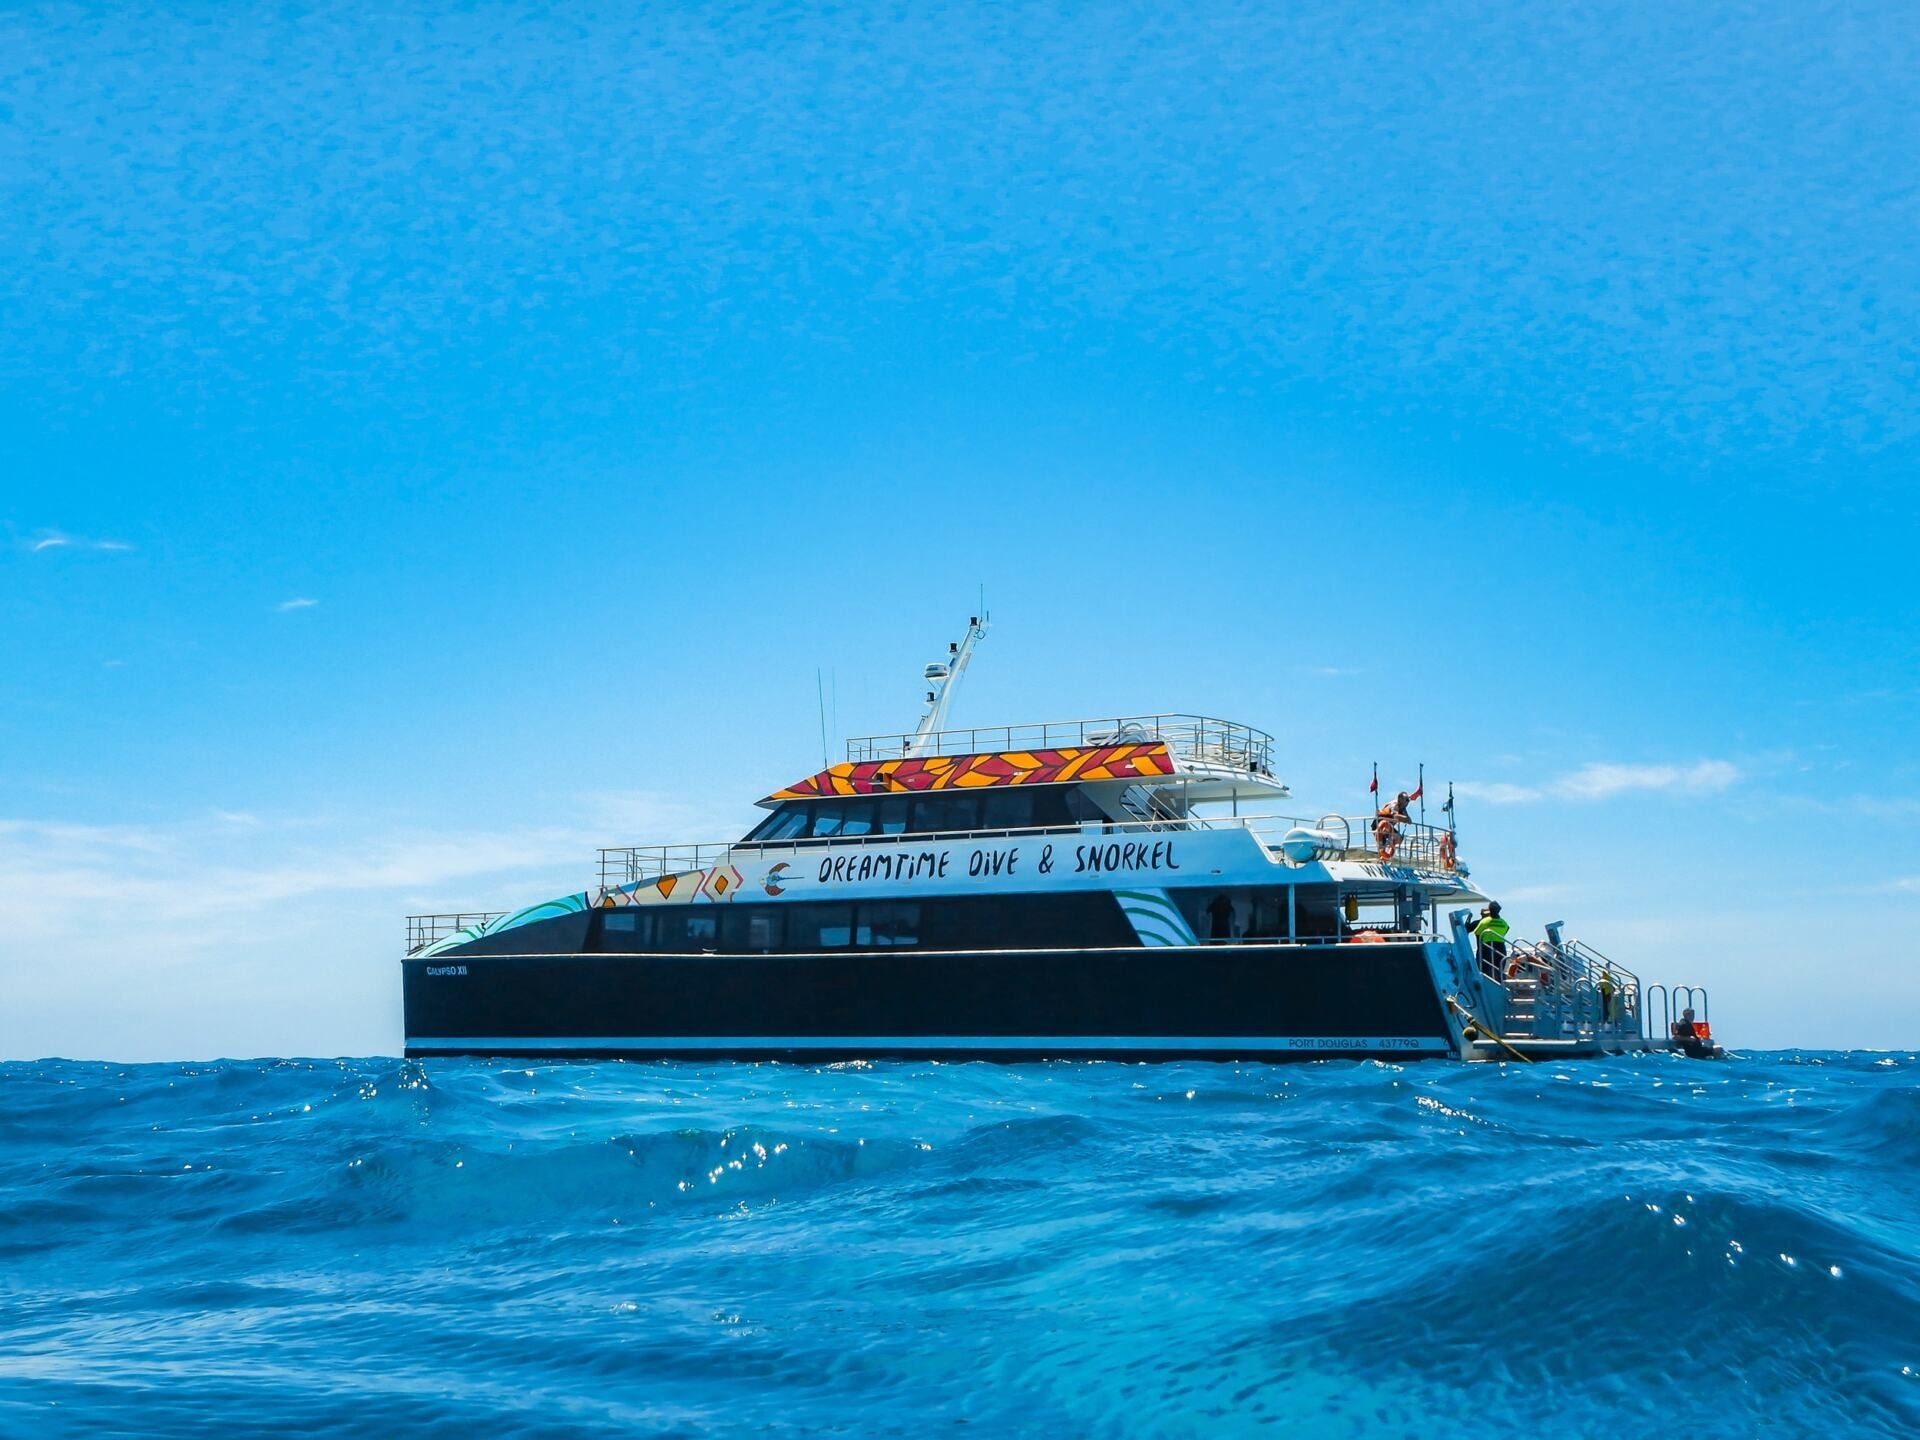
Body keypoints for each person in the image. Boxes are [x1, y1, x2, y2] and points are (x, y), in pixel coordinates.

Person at [1467, 901, 1509, 975]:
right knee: (1498, 970)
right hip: (1500, 948)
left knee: (1486, 970)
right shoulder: (1503, 922)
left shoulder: (1483, 922)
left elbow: (1476, 932)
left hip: (1486, 949)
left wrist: (1468, 918)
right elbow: (1506, 930)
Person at [1373, 791, 1412, 859]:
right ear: (1400, 799)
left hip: (1388, 826)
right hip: (1379, 824)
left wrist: (1406, 818)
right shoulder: (1395, 805)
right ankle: (1383, 852)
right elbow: (1396, 816)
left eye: (1408, 800)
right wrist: (1406, 819)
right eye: (1406, 800)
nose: (1408, 802)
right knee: (1386, 836)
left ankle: (1386, 852)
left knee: (1399, 838)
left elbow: (1409, 820)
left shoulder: (1402, 808)